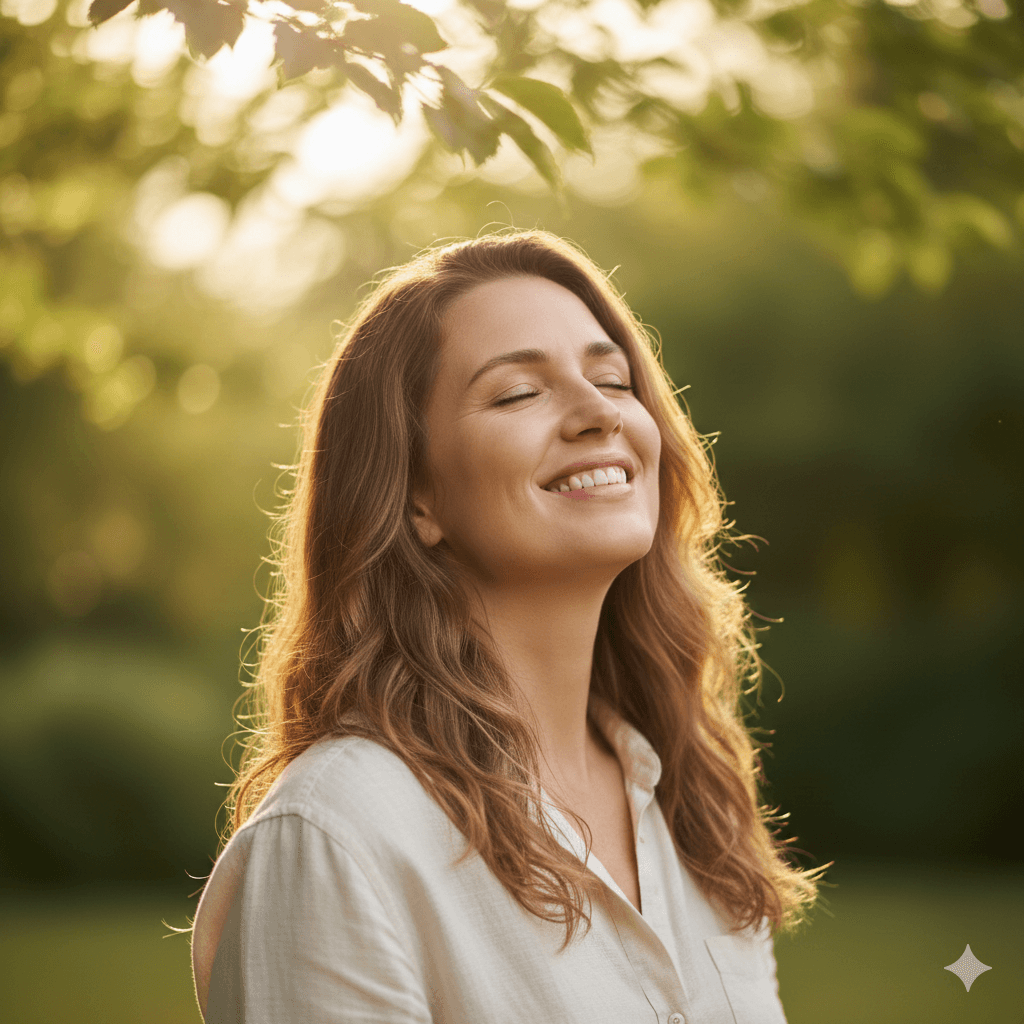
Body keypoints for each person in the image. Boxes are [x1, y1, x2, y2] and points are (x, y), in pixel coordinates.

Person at [190, 229, 829, 1023]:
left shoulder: (693, 802)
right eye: (518, 393)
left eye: (614, 378)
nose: (598, 411)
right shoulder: (339, 831)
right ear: (415, 496)